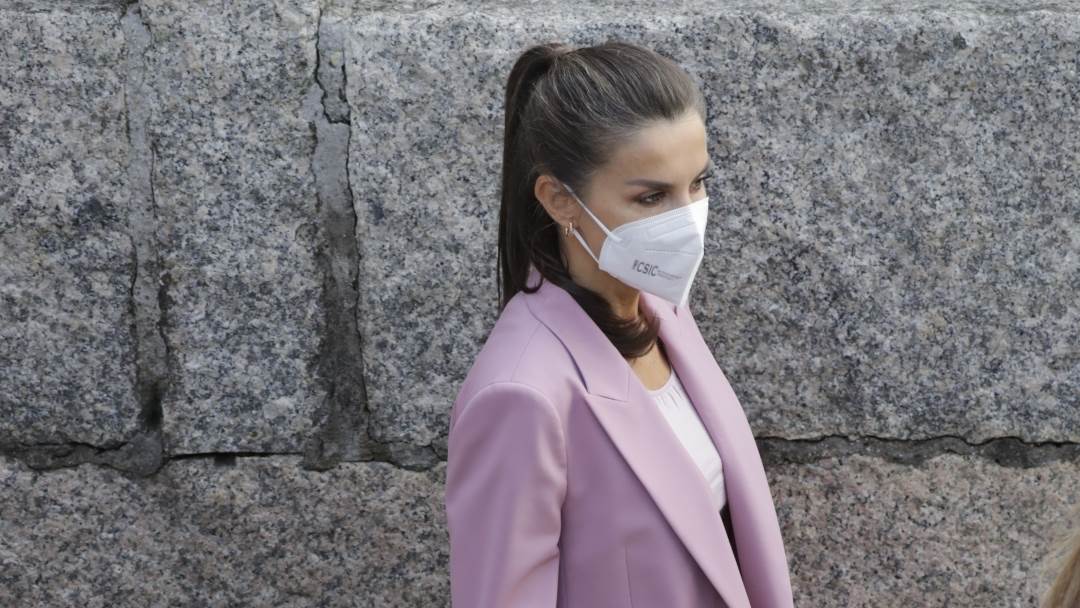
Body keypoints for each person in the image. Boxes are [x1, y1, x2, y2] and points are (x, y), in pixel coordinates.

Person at [444, 40, 795, 607]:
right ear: (559, 199)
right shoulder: (521, 396)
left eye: (697, 184)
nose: (688, 222)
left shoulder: (663, 310)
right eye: (652, 197)